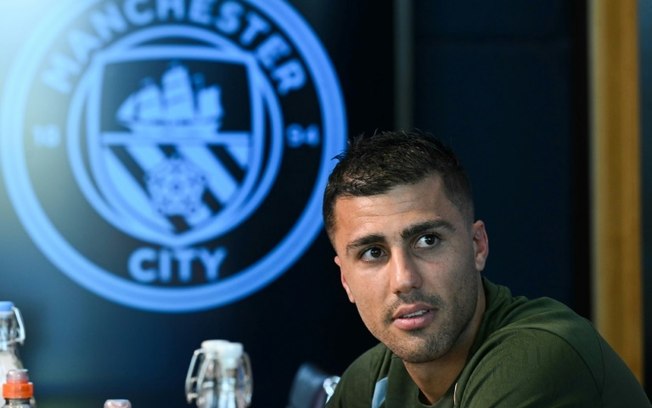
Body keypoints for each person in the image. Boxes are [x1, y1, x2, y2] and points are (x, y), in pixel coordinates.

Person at [321, 129, 651, 407]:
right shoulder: (373, 380)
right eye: (374, 252)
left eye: (428, 241)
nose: (404, 279)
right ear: (345, 279)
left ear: (478, 245)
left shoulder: (539, 357)